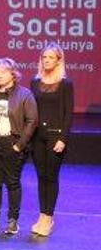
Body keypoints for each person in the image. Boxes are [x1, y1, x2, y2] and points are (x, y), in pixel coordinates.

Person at [0, 58, 37, 236]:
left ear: (12, 73)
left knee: (12, 182)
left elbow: (32, 121)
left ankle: (13, 220)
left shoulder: (24, 94)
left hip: (12, 144)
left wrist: (19, 145)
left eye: (3, 72)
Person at [30, 42, 74, 237]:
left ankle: (49, 216)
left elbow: (68, 113)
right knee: (41, 176)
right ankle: (42, 215)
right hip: (38, 136)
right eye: (44, 57)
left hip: (56, 136)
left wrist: (63, 138)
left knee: (51, 176)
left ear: (58, 60)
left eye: (51, 57)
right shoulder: (35, 81)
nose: (47, 60)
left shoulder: (65, 83)